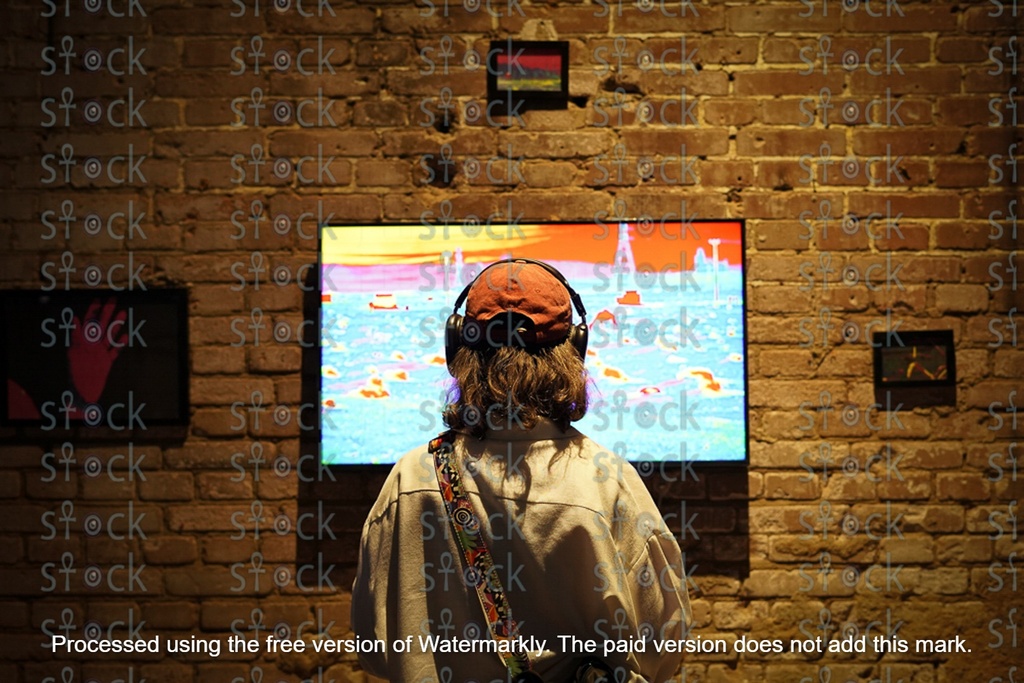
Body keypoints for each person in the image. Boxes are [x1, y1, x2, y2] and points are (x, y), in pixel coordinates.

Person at [351, 259, 690, 682]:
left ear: (457, 348)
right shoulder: (609, 482)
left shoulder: (410, 480)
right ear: (575, 350)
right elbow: (663, 648)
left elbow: (374, 647)